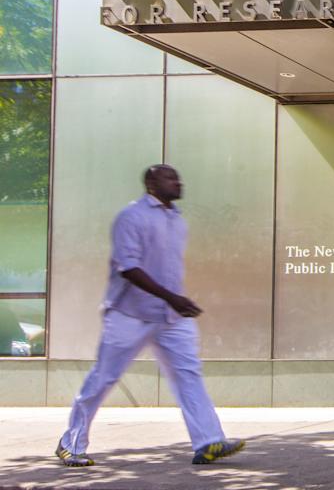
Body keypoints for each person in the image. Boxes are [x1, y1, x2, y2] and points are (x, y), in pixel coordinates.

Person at [56, 165, 244, 467]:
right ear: (150, 183)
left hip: (171, 316)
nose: (178, 181)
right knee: (104, 377)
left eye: (178, 176)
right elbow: (128, 267)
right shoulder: (132, 217)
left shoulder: (176, 220)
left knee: (188, 375)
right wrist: (172, 297)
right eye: (170, 177)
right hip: (130, 314)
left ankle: (209, 442)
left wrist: (173, 302)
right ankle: (71, 443)